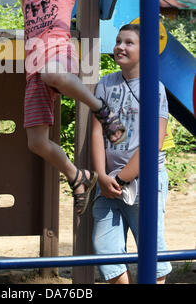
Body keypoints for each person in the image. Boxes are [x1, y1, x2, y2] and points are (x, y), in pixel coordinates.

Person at [2, 0, 126, 215]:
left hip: (57, 54)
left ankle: (101, 110)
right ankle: (77, 176)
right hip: (36, 70)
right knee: (37, 142)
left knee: (52, 72)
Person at [91, 23, 172, 283]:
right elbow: (96, 132)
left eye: (128, 42)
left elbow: (152, 142)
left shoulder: (154, 88)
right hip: (107, 182)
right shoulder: (105, 84)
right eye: (117, 41)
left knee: (151, 250)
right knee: (105, 249)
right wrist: (102, 176)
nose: (119, 46)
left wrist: (122, 178)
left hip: (142, 181)